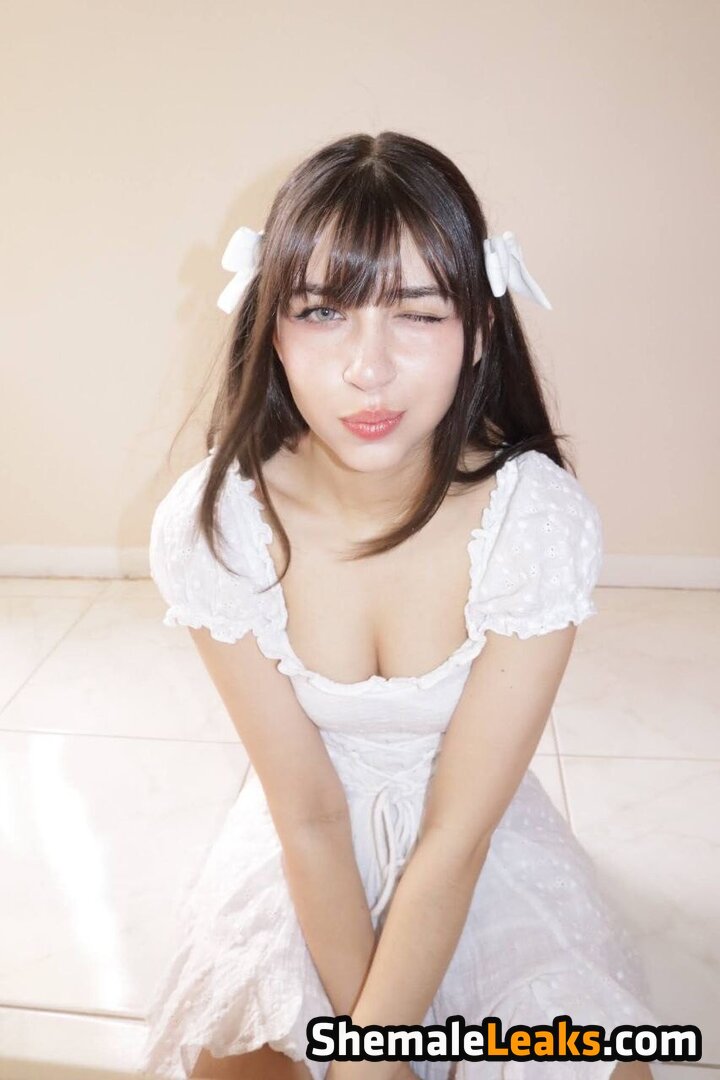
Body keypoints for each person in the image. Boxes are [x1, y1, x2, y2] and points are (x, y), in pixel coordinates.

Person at [137, 132, 659, 1080]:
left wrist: (373, 1057)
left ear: (480, 331)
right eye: (323, 311)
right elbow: (308, 815)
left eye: (417, 314)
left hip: (475, 837)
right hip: (301, 846)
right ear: (271, 328)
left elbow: (457, 836)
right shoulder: (217, 524)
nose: (367, 369)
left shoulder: (532, 521)